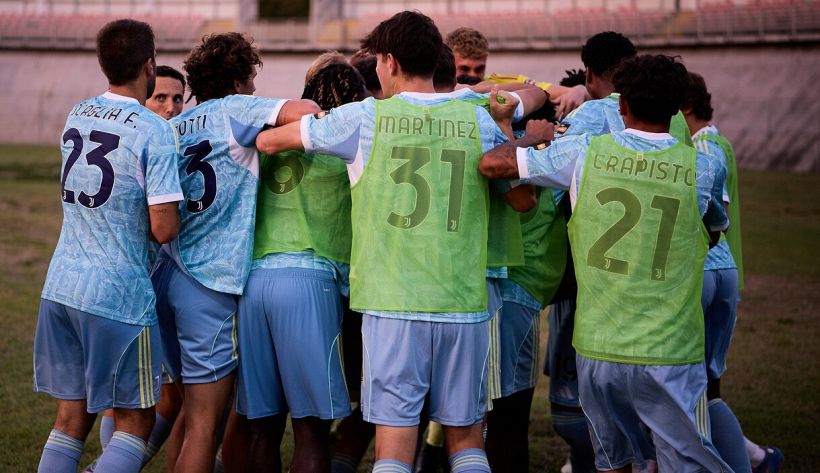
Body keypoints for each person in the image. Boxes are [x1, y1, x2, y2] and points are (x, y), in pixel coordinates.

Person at [255, 11, 522, 473]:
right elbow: (520, 200)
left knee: (394, 445)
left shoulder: (365, 117)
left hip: (391, 303)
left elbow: (270, 142)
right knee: (467, 441)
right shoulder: (476, 119)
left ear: (390, 61)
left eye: (378, 61)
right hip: (463, 300)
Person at [479, 53, 733, 473]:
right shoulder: (704, 165)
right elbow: (713, 230)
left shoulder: (585, 152)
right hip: (669, 345)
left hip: (598, 346)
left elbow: (493, 164)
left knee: (612, 462)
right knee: (685, 462)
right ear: (676, 109)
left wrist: (529, 137)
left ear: (621, 105)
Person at [150, 32, 319, 473]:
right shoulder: (237, 108)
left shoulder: (175, 123)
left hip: (166, 270)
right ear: (241, 77)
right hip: (208, 282)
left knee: (189, 414)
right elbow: (307, 111)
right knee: (207, 425)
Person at [33, 18, 182, 473]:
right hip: (117, 296)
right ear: (149, 64)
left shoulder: (77, 112)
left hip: (60, 286)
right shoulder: (154, 130)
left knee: (69, 419)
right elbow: (163, 229)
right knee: (135, 424)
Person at [230, 63, 367, 473]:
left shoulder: (271, 144)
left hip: (254, 284)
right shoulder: (347, 147)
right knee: (311, 430)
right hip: (310, 282)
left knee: (264, 429)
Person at [85, 63, 189, 473]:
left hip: (162, 282)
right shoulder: (147, 137)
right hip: (135, 284)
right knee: (135, 395)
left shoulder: (174, 138)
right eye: (160, 97)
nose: (170, 107)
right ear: (142, 96)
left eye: (178, 98)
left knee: (161, 392)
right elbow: (160, 225)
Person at [683, 72, 783, 473]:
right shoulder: (716, 140)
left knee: (697, 391)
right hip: (724, 273)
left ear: (685, 107)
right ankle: (757, 460)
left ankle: (750, 462)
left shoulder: (705, 146)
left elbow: (710, 214)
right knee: (706, 391)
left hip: (708, 271)